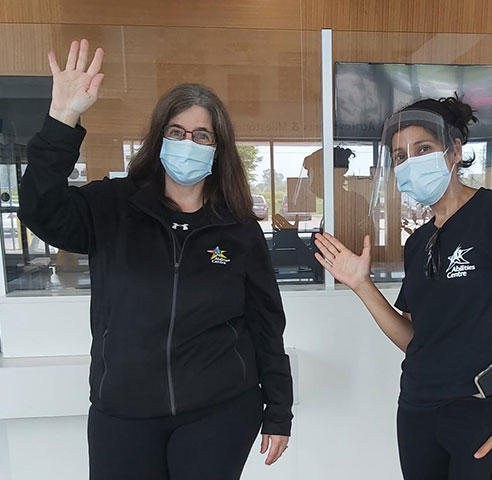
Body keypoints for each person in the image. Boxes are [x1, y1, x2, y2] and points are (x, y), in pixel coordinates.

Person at [18, 39, 292, 480]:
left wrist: (279, 410)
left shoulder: (238, 229)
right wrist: (63, 119)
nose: (189, 143)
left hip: (219, 412)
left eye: (201, 135)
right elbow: (40, 210)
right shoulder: (112, 206)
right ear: (159, 137)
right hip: (122, 414)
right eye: (177, 132)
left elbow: (265, 324)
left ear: (218, 147)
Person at [314, 96, 492, 480]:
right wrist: (361, 286)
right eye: (399, 156)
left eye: (423, 149)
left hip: (482, 413)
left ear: (455, 150)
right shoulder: (418, 242)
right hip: (417, 412)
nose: (410, 163)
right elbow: (415, 340)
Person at [271, 147, 373, 281]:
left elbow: (331, 265)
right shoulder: (336, 204)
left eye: (311, 174)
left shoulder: (351, 205)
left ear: (324, 175)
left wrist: (294, 240)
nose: (309, 181)